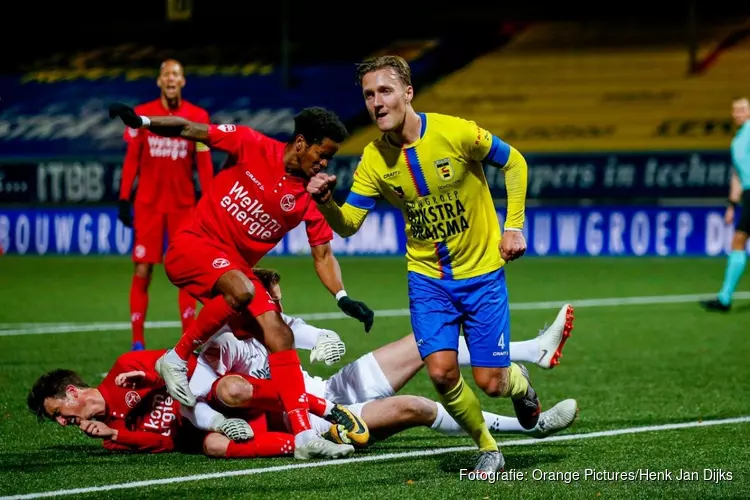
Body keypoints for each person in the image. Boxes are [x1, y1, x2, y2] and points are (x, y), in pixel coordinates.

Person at [306, 55, 536, 472]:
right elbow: (350, 224)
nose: (376, 103)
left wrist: (514, 226)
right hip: (428, 280)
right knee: (443, 374)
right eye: (369, 95)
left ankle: (518, 383)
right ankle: (487, 447)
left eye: (385, 91)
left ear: (408, 93)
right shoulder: (373, 160)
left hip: (482, 274)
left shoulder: (456, 132)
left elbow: (514, 162)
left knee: (492, 382)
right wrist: (326, 204)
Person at [108, 103, 371, 460]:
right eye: (321, 154)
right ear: (300, 143)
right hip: (192, 246)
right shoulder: (250, 144)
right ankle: (176, 356)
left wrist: (342, 297)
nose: (324, 163)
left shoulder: (309, 199)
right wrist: (142, 122)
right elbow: (189, 129)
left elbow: (323, 256)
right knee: (244, 289)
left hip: (233, 272)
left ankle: (303, 434)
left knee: (279, 333)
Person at [181, 266, 575, 448]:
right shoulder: (225, 344)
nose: (279, 309)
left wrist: (325, 338)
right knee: (418, 406)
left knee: (428, 340)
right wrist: (216, 421)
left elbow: (311, 332)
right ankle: (530, 428)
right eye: (274, 302)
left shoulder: (277, 326)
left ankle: (531, 351)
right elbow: (208, 395)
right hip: (319, 422)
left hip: (331, 388)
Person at [26, 348, 354, 459]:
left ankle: (315, 404)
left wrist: (155, 380)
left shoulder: (125, 367)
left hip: (211, 395)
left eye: (58, 412)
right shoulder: (110, 435)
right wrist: (115, 436)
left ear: (71, 393)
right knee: (213, 446)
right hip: (202, 430)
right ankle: (305, 443)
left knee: (228, 388)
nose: (61, 422)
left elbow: (188, 364)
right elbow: (166, 443)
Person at [118, 59, 214, 351]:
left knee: (186, 275)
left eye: (176, 75)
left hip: (183, 207)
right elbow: (133, 158)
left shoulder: (198, 116)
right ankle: (137, 341)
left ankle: (189, 339)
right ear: (159, 81)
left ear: (183, 82)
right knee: (142, 271)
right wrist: (124, 197)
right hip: (148, 205)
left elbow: (204, 166)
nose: (171, 79)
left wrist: (209, 203)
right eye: (166, 75)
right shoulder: (142, 114)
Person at [701, 96, 750, 312]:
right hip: (749, 194)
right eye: (734, 110)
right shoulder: (737, 141)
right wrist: (732, 205)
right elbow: (737, 177)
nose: (737, 112)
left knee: (738, 240)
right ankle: (724, 299)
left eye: (742, 109)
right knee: (738, 240)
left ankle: (724, 299)